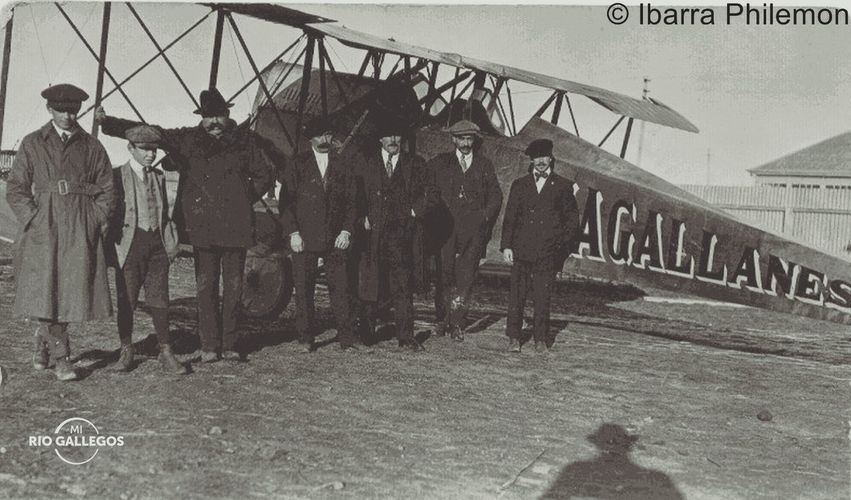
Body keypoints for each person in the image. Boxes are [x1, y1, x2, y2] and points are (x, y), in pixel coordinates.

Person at [96, 88, 275, 362]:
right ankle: (208, 346)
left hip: (236, 228)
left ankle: (229, 344)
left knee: (234, 289)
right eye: (208, 116)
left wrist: (242, 198)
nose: (214, 121)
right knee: (205, 288)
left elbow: (264, 174)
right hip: (202, 229)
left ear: (227, 115)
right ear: (201, 118)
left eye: (219, 115)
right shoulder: (188, 139)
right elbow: (152, 132)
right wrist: (109, 124)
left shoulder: (244, 141)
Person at [6, 84, 115, 381]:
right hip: (43, 228)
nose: (68, 116)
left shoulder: (91, 146)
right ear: (49, 109)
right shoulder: (33, 143)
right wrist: (34, 217)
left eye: (73, 110)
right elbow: (15, 189)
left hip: (79, 227)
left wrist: (95, 219)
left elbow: (107, 189)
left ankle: (42, 345)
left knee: (67, 292)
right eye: (61, 110)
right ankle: (62, 358)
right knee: (45, 289)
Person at [108, 125, 186, 374]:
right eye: (144, 149)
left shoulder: (160, 176)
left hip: (157, 246)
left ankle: (166, 351)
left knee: (160, 298)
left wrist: (170, 242)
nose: (151, 154)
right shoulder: (117, 175)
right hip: (130, 245)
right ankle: (126, 350)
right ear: (131, 148)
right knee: (127, 299)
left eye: (154, 149)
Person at [278, 118, 357, 352]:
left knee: (341, 290)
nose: (325, 140)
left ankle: (347, 339)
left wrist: (346, 230)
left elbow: (353, 201)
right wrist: (293, 232)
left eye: (329, 135)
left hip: (335, 239)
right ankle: (305, 338)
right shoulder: (297, 163)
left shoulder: (343, 163)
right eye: (320, 135)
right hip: (304, 238)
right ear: (310, 138)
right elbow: (286, 203)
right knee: (303, 290)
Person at [355, 116, 433, 351]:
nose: (393, 140)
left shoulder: (416, 164)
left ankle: (405, 337)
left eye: (396, 136)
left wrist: (413, 210)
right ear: (380, 139)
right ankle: (366, 334)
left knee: (402, 286)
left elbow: (432, 194)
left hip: (402, 237)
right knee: (369, 284)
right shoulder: (366, 163)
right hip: (372, 236)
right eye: (388, 136)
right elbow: (354, 195)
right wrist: (361, 218)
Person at [500, 139, 579, 353]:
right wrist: (507, 246)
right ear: (532, 159)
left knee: (543, 297)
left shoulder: (563, 186)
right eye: (537, 157)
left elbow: (572, 224)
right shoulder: (520, 184)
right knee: (517, 295)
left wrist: (560, 251)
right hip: (521, 250)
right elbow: (510, 218)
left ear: (551, 158)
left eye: (545, 157)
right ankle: (514, 337)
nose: (541, 161)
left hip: (547, 253)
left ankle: (540, 339)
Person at [427, 120, 503, 341]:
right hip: (444, 232)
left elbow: (496, 197)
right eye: (462, 138)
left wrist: (483, 218)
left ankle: (458, 323)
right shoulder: (440, 163)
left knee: (466, 279)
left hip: (473, 233)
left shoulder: (484, 165)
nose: (466, 143)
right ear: (453, 140)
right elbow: (428, 189)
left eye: (470, 139)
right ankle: (442, 320)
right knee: (443, 276)